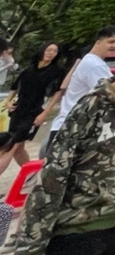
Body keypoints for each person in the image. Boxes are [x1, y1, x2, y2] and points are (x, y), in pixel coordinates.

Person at [14, 34, 115, 255]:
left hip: (114, 220)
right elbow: (52, 176)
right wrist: (29, 250)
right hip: (78, 226)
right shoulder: (92, 106)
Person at [44, 27, 115, 155]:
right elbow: (110, 95)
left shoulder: (93, 61)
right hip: (70, 131)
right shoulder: (94, 65)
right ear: (98, 42)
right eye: (111, 41)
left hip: (70, 128)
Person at [1, 43, 65, 178]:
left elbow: (57, 93)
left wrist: (45, 113)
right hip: (18, 111)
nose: (51, 53)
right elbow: (15, 87)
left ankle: (32, 176)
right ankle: (34, 175)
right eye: (49, 50)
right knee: (18, 149)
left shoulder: (57, 71)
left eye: (55, 51)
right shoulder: (29, 70)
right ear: (42, 50)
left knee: (10, 147)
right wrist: (8, 101)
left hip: (34, 113)